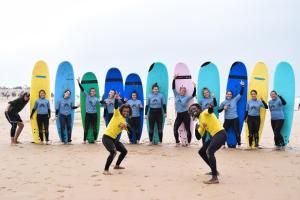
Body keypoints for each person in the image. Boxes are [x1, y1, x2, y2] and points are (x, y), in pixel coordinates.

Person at [189, 103, 227, 184]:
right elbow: (199, 137)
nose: (193, 111)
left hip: (220, 133)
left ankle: (214, 178)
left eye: (194, 109)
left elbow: (210, 111)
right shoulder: (200, 121)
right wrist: (196, 129)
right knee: (201, 151)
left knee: (210, 151)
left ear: (199, 108)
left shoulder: (204, 113)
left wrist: (210, 107)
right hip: (214, 136)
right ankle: (214, 171)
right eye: (192, 110)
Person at [102, 94, 132, 175]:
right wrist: (116, 99)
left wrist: (126, 126)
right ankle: (106, 170)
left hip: (114, 139)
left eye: (127, 111)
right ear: (121, 110)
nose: (126, 112)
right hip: (106, 137)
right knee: (113, 152)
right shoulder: (117, 114)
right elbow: (115, 106)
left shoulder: (124, 122)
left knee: (124, 151)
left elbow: (131, 132)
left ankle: (117, 165)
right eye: (124, 111)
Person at [218, 80, 244, 147]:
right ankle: (223, 144)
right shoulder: (223, 102)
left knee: (236, 132)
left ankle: (239, 144)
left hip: (235, 119)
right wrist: (223, 108)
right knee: (224, 132)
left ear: (232, 95)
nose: (229, 95)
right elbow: (218, 110)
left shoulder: (234, 100)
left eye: (230, 94)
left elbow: (241, 94)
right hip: (227, 120)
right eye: (228, 94)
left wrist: (242, 86)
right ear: (226, 95)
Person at [77, 77, 103, 144]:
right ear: (90, 92)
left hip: (94, 114)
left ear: (95, 93)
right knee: (86, 127)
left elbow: (101, 103)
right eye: (92, 91)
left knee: (94, 127)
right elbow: (82, 89)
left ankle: (95, 140)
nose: (93, 92)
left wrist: (106, 102)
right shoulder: (87, 96)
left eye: (94, 91)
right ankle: (84, 140)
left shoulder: (96, 98)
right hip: (88, 114)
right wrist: (78, 82)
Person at [172, 75, 196, 146]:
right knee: (175, 128)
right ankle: (177, 142)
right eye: (182, 90)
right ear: (179, 90)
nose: (183, 91)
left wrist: (194, 87)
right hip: (179, 115)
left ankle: (188, 143)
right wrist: (174, 79)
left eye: (184, 91)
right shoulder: (176, 95)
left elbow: (193, 95)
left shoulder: (187, 97)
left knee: (188, 129)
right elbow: (173, 88)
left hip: (185, 114)